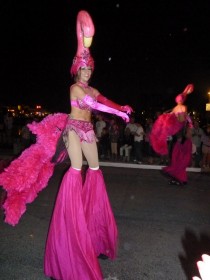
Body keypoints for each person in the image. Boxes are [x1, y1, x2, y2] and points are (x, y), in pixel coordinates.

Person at [44, 10, 133, 280]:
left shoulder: (91, 88)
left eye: (89, 69)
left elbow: (104, 100)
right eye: (83, 69)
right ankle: (68, 246)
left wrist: (122, 106)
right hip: (73, 130)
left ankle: (94, 236)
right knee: (75, 171)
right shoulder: (75, 89)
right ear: (76, 70)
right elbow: (92, 104)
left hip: (88, 130)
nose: (86, 72)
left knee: (95, 171)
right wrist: (119, 114)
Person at [150, 84, 194, 156]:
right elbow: (183, 117)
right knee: (179, 141)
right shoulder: (183, 107)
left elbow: (172, 114)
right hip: (178, 125)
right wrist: (190, 122)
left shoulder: (175, 108)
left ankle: (174, 152)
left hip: (174, 125)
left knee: (176, 141)